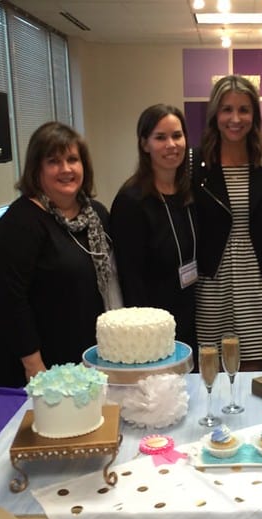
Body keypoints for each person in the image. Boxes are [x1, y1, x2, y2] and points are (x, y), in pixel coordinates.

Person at [0, 121, 121, 387]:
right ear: (37, 169)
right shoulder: (18, 225)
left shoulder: (97, 216)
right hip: (34, 367)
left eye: (72, 159)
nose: (66, 169)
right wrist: (34, 366)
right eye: (54, 161)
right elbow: (9, 303)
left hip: (84, 360)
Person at [190, 75, 262, 371]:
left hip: (257, 279)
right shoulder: (195, 162)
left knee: (251, 372)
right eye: (227, 109)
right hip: (212, 280)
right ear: (215, 114)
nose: (235, 118)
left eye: (244, 110)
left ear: (254, 115)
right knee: (212, 369)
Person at [110, 104, 197, 352]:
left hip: (189, 317)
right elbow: (130, 278)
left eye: (177, 135)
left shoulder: (188, 193)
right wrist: (147, 333)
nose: (171, 144)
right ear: (144, 144)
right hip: (152, 328)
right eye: (160, 137)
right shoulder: (131, 201)